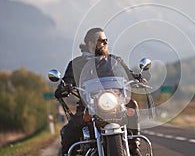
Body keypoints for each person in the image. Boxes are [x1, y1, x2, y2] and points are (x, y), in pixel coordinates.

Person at [55, 27, 142, 156]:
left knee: (132, 105)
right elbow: (66, 81)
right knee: (69, 131)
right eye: (101, 40)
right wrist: (63, 87)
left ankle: (135, 148)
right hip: (88, 106)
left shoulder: (115, 61)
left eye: (106, 40)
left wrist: (138, 79)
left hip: (115, 103)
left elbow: (129, 75)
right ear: (90, 43)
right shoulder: (77, 64)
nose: (105, 43)